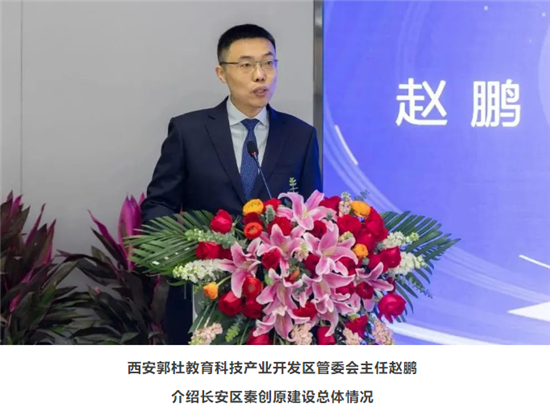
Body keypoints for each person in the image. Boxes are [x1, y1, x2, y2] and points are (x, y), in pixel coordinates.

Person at [141, 23, 322, 344]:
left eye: (268, 63)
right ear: (221, 73)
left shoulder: (300, 135)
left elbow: (311, 214)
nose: (260, 75)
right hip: (205, 289)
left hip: (275, 296)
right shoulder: (189, 131)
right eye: (246, 65)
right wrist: (179, 260)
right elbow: (159, 203)